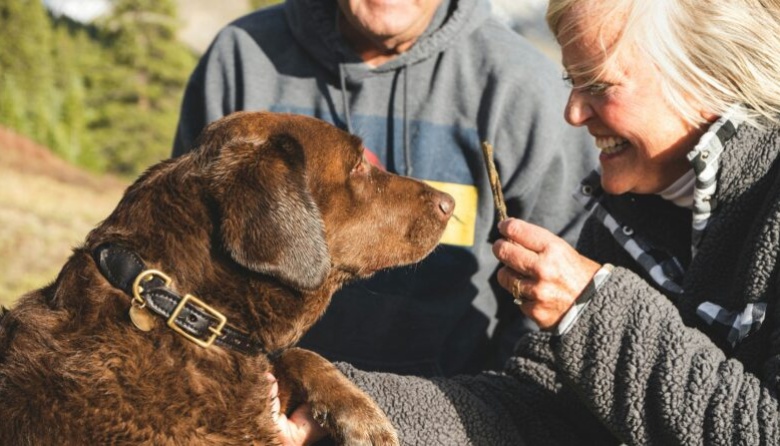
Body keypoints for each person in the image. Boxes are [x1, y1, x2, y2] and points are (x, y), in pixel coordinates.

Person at [273, 0, 780, 443]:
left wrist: (592, 308)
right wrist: (335, 407)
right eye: (571, 82)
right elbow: (538, 415)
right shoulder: (623, 218)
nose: (573, 113)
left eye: (598, 84)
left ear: (708, 72)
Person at [172, 0, 596, 377]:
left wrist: (494, 418)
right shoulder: (244, 58)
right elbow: (186, 259)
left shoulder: (521, 87)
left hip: (452, 415)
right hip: (264, 406)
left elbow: (555, 302)